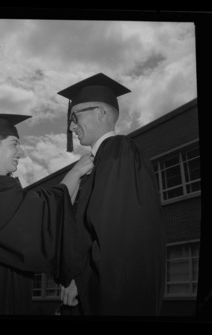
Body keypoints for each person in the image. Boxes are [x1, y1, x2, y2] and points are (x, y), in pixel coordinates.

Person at [0, 113, 93, 315]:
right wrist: (75, 173)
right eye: (14, 143)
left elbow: (44, 212)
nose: (21, 151)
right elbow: (38, 218)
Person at [57, 73, 166, 316]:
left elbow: (117, 235)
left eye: (75, 116)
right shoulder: (97, 162)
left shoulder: (120, 152)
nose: (71, 125)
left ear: (102, 113)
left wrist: (81, 279)